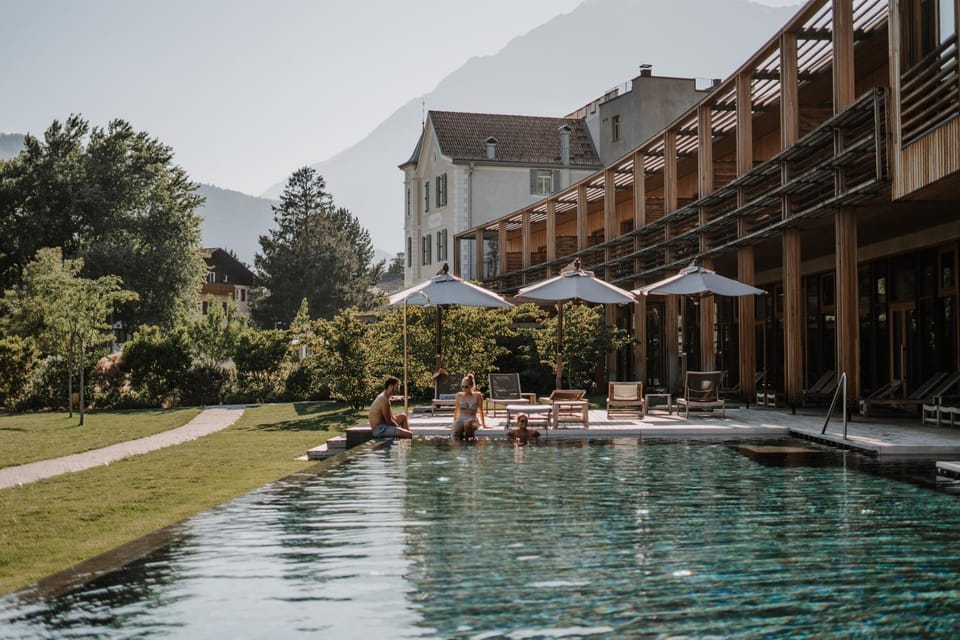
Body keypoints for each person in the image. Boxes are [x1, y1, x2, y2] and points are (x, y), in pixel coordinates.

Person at [451, 373, 486, 440]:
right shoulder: (459, 395)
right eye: (462, 386)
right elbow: (456, 410)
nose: (464, 388)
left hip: (472, 418)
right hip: (461, 418)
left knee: (467, 423)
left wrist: (484, 424)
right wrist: (454, 422)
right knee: (456, 429)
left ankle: (470, 443)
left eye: (466, 387)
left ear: (471, 386)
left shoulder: (477, 395)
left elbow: (481, 410)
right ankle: (459, 446)